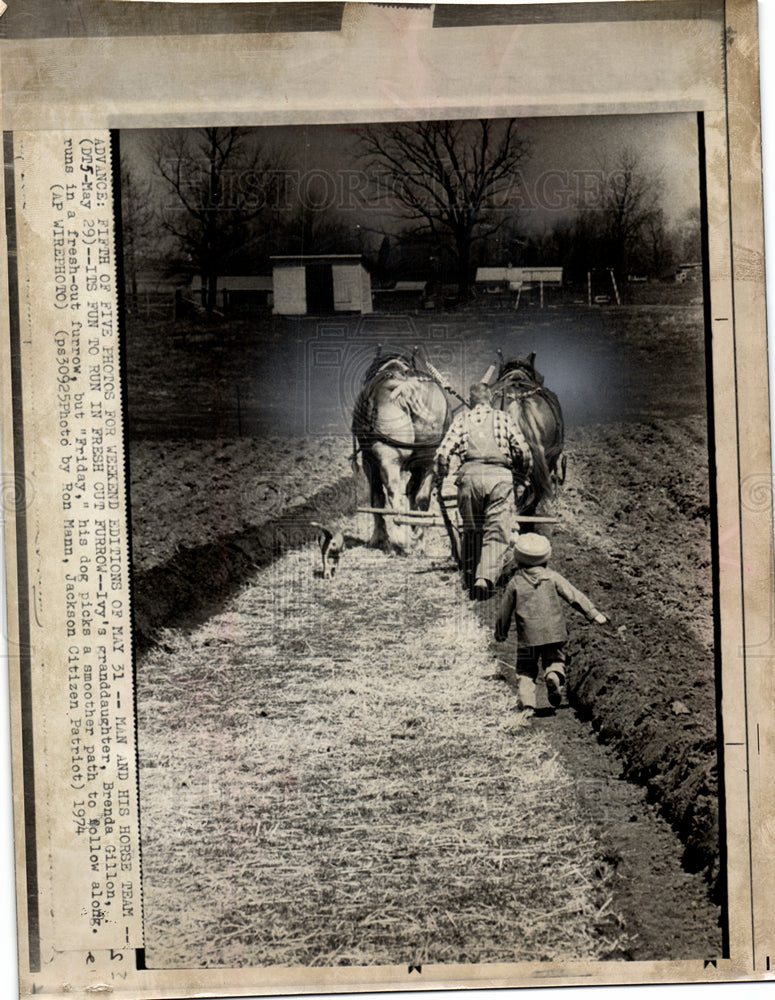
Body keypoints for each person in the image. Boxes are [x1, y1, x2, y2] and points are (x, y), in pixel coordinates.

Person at [433, 383, 532, 598]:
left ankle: (470, 569)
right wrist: (521, 478)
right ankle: (484, 578)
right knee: (497, 530)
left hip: (470, 479)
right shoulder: (504, 418)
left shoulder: (462, 419)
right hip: (500, 479)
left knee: (472, 527)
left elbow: (442, 454)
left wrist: (441, 476)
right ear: (489, 399)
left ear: (471, 399)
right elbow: (524, 453)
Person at [494, 533, 607, 714]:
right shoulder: (552, 577)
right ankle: (553, 675)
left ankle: (528, 704)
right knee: (554, 660)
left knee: (526, 669)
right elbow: (573, 595)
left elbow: (504, 610)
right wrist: (593, 614)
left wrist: (501, 631)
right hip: (554, 632)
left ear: (518, 558)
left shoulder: (515, 583)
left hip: (528, 637)